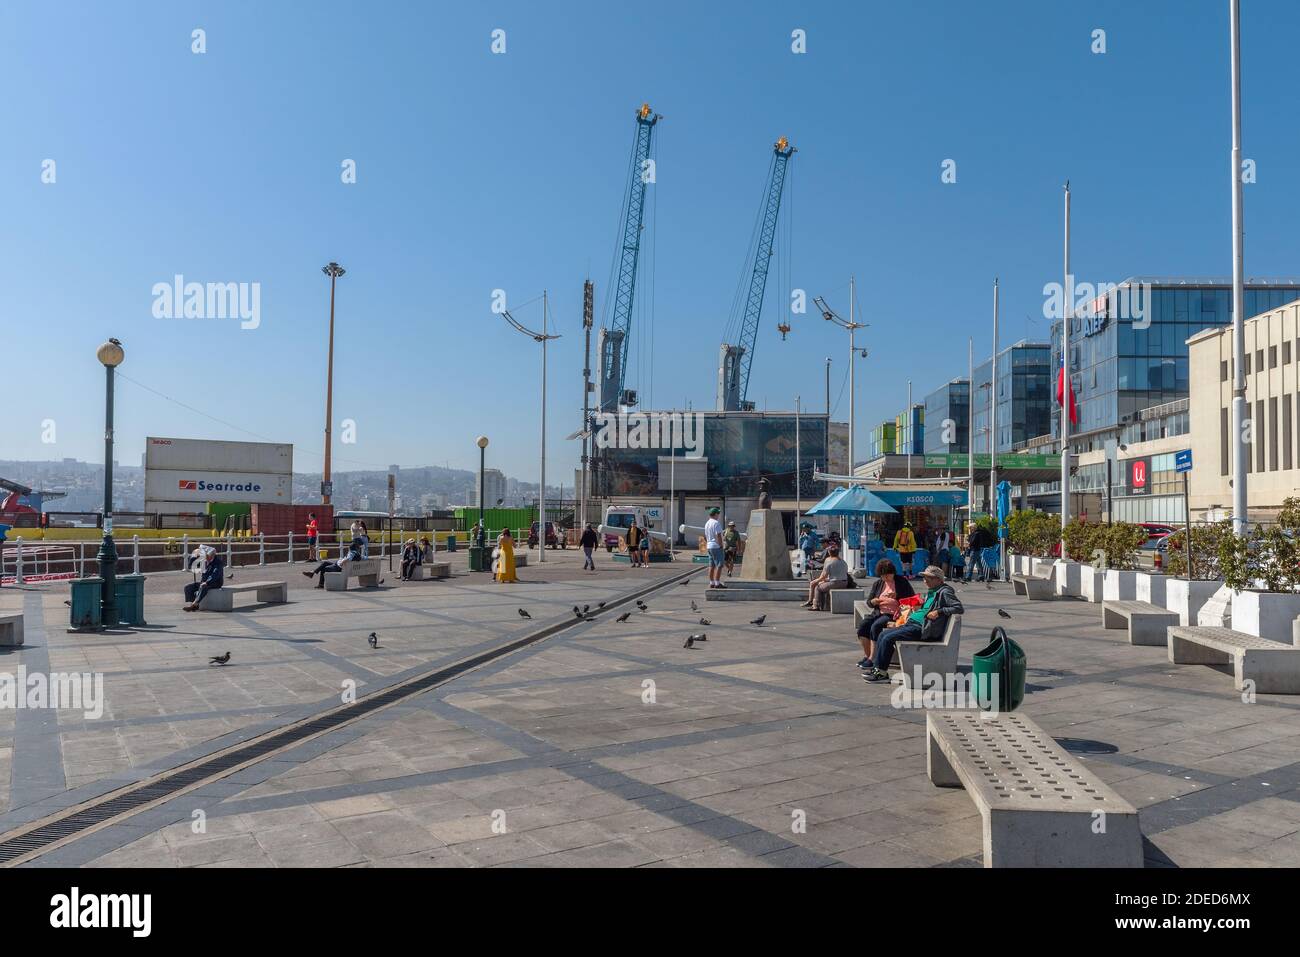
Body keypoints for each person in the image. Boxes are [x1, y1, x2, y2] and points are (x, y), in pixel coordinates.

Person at [863, 565, 964, 682]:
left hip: (922, 629)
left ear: (938, 580)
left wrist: (939, 611)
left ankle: (881, 673)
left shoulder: (944, 592)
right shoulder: (932, 591)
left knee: (888, 638)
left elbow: (958, 607)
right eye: (924, 578)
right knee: (882, 635)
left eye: (928, 578)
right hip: (912, 624)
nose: (925, 580)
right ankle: (878, 670)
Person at [855, 557, 915, 670]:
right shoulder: (878, 583)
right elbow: (869, 601)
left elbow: (911, 599)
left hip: (894, 614)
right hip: (878, 612)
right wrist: (873, 601)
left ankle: (873, 658)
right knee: (863, 626)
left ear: (893, 573)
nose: (885, 578)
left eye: (888, 575)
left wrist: (897, 596)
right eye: (883, 576)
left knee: (876, 626)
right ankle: (868, 656)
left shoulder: (902, 582)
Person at [803, 545, 849, 610]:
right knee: (821, 584)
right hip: (844, 583)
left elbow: (823, 576)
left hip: (835, 583)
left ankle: (816, 606)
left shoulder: (829, 562)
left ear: (829, 553)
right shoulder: (843, 562)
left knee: (818, 588)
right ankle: (819, 604)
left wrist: (816, 581)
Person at [704, 507, 726, 588]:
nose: (719, 515)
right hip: (716, 546)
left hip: (709, 546)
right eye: (718, 514)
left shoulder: (707, 523)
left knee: (711, 566)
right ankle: (717, 583)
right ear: (715, 514)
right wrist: (721, 545)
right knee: (719, 565)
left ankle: (711, 582)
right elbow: (719, 535)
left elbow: (705, 536)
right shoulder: (716, 523)